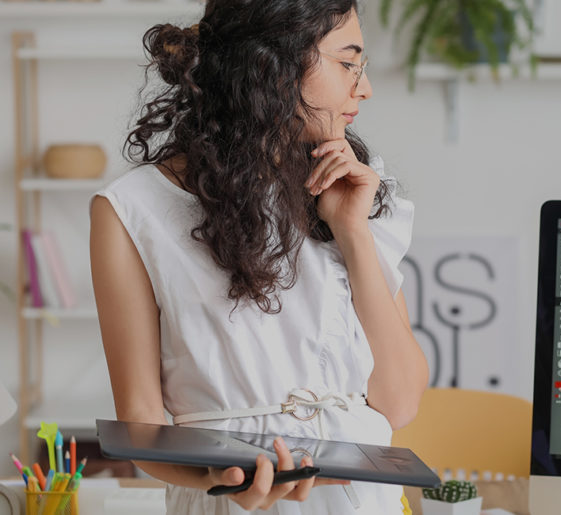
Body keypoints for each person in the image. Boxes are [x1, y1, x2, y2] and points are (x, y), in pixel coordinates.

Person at [88, 0, 429, 513]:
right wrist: (220, 478)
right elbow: (142, 425)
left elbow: (399, 402)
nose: (364, 88)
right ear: (271, 65)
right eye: (346, 63)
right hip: (229, 503)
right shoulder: (132, 210)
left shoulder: (356, 189)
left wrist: (352, 231)